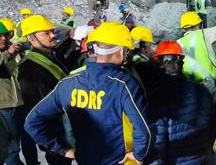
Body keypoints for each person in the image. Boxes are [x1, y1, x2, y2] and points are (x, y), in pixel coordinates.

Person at [24, 22, 152, 165]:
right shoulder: (124, 84)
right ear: (121, 51)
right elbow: (143, 129)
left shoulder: (67, 83)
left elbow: (32, 122)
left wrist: (62, 149)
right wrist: (139, 155)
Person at [144, 41, 213, 164]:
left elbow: (158, 143)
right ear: (181, 62)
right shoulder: (203, 90)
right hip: (203, 158)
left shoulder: (156, 97)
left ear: (159, 64)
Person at [17, 15, 71, 165]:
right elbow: (37, 112)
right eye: (46, 33)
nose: (53, 35)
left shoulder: (48, 56)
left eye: (52, 31)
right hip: (57, 137)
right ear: (31, 38)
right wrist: (55, 144)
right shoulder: (29, 68)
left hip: (63, 131)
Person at [0, 22, 24, 165]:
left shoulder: (8, 52)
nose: (3, 38)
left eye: (5, 35)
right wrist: (8, 53)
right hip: (4, 106)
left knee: (12, 145)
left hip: (15, 103)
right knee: (11, 146)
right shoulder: (5, 53)